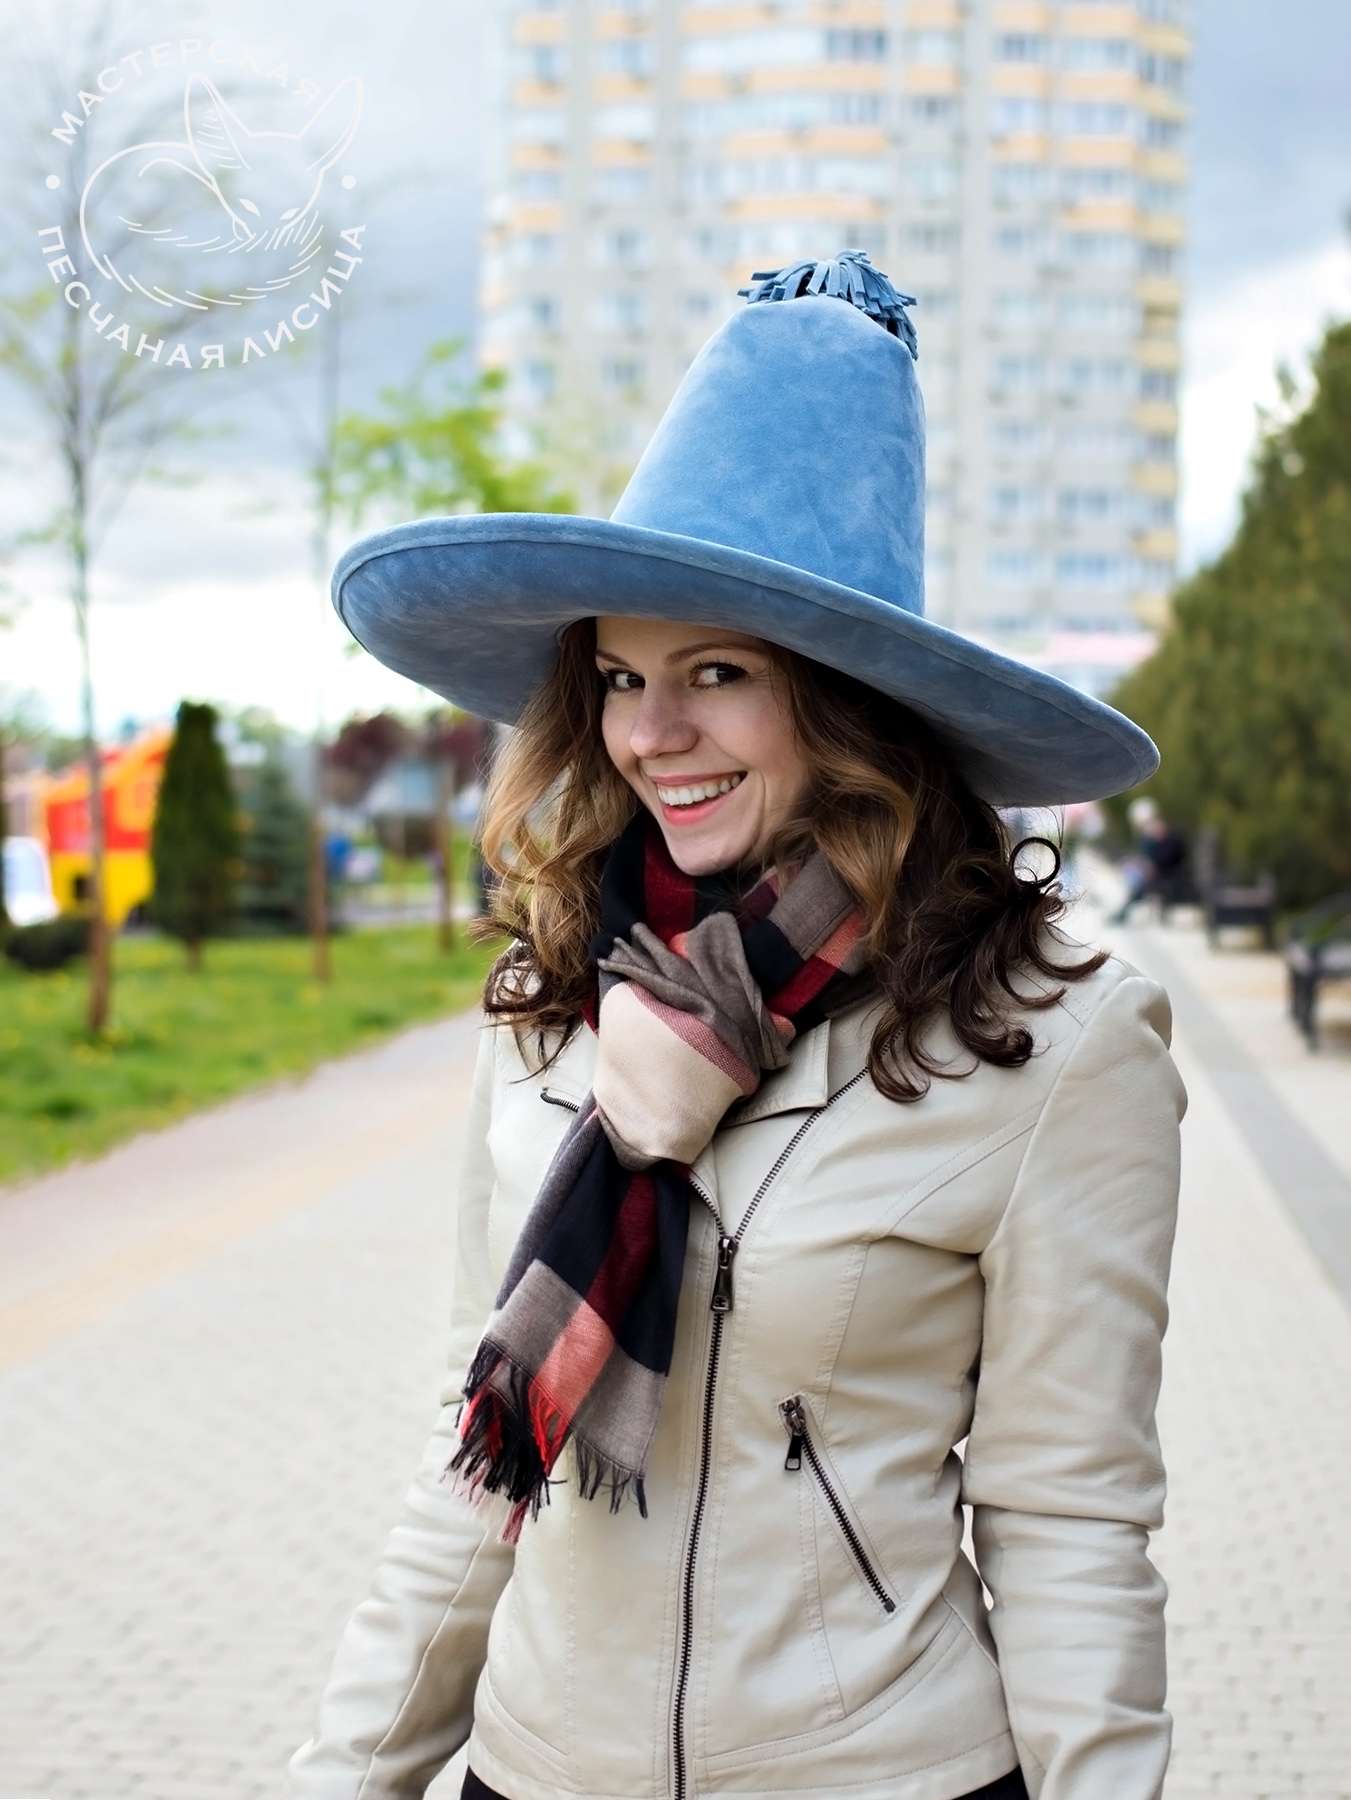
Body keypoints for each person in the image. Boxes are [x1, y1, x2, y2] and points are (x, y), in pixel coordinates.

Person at [291, 253, 1184, 1800]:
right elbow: (478, 1462)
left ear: (847, 703)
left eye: (716, 672)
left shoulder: (1052, 1040)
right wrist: (341, 1775)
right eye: (619, 675)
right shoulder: (552, 998)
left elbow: (1065, 1521)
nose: (650, 733)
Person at [1109, 798, 1191, 924]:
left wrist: (1145, 864)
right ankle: (1122, 914)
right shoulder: (1155, 840)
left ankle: (1122, 914)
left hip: (1171, 881)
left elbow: (1160, 865)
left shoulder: (1171, 839)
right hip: (1165, 879)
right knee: (1136, 881)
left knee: (1139, 885)